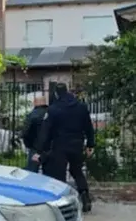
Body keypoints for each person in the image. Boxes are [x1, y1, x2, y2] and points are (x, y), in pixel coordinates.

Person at [33, 84, 95, 213]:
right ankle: (85, 196)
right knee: (77, 170)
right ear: (67, 91)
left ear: (56, 94)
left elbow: (46, 131)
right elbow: (88, 127)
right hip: (77, 143)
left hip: (60, 145)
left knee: (59, 174)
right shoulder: (81, 107)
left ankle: (62, 203)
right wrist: (90, 144)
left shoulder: (54, 109)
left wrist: (39, 150)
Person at [20, 94, 49, 173]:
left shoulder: (32, 115)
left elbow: (26, 132)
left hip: (35, 148)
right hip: (49, 149)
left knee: (32, 172)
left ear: (35, 102)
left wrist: (28, 143)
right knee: (49, 174)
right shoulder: (51, 113)